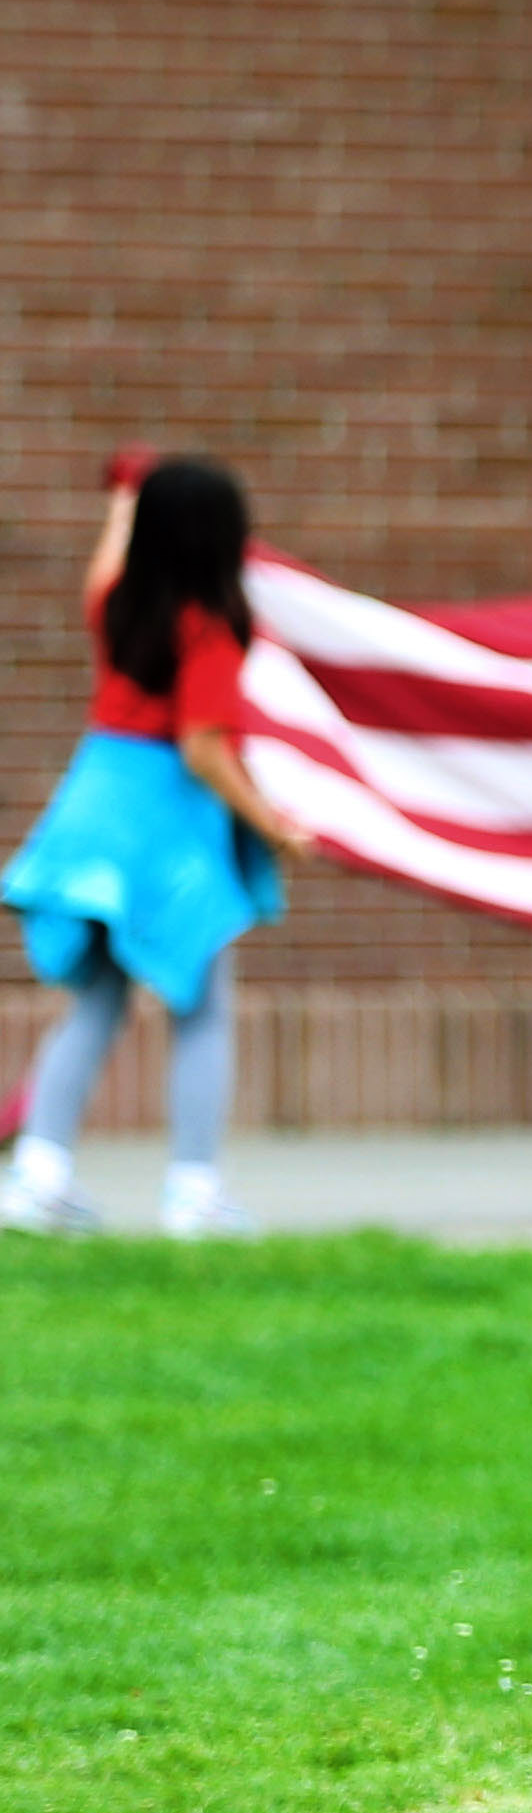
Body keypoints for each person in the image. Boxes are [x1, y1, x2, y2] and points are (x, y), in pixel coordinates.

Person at [5, 454, 319, 1240]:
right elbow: (205, 748)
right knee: (204, 1007)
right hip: (168, 827)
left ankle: (37, 1175)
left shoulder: (117, 600)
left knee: (99, 1002)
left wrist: (123, 495)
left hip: (97, 813)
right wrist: (275, 824)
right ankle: (194, 1190)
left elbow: (108, 558)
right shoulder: (205, 627)